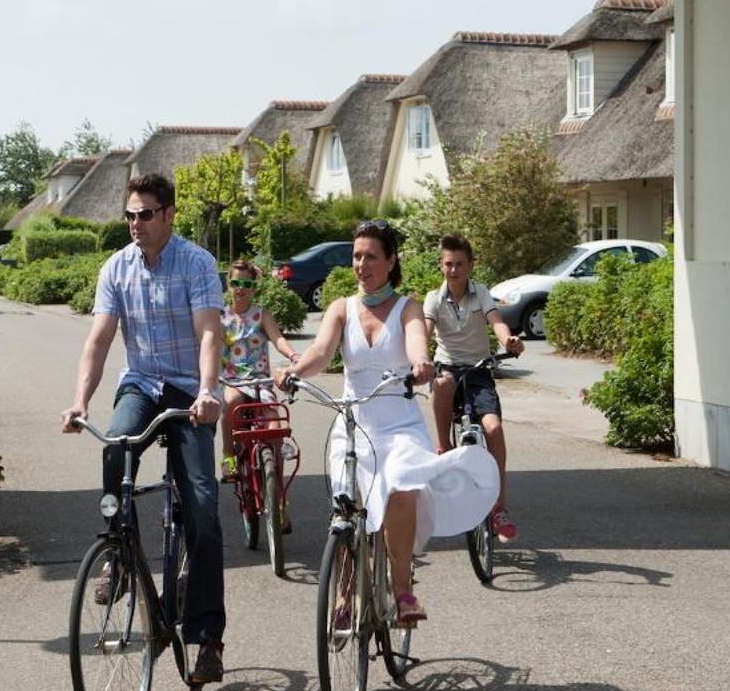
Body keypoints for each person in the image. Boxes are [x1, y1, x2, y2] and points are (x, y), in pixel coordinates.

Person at [282, 220, 498, 627]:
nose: (361, 264)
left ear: (391, 261)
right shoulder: (341, 308)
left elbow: (418, 343)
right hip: (353, 424)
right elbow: (320, 351)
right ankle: (346, 591)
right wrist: (293, 372)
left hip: (398, 426)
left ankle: (402, 591)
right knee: (346, 507)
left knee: (401, 487)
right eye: (356, 256)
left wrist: (421, 364)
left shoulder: (408, 307)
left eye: (371, 256)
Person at [60, 173, 229, 687]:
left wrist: (206, 391)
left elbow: (209, 333)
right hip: (141, 383)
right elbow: (99, 340)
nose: (136, 224)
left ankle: (206, 639)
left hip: (186, 390)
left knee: (201, 503)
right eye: (130, 215)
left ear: (169, 214)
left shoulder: (196, 263)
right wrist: (79, 402)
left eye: (146, 214)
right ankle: (119, 553)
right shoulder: (116, 267)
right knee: (115, 445)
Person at [423, 233, 525, 542]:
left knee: (493, 430)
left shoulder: (480, 294)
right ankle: (444, 446)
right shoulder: (433, 299)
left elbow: (496, 321)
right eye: (448, 264)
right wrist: (415, 357)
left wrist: (507, 340)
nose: (454, 270)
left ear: (470, 266)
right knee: (441, 383)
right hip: (447, 368)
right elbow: (424, 332)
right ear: (442, 266)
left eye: (460, 265)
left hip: (478, 370)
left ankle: (499, 507)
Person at [220, 258, 300, 481]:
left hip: (260, 383)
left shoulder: (261, 314)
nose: (240, 290)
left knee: (274, 426)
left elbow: (278, 339)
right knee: (230, 403)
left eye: (246, 285)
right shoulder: (221, 317)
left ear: (253, 287)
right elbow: (211, 348)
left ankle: (278, 498)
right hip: (234, 381)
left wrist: (294, 355)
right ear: (229, 285)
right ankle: (228, 456)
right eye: (236, 284)